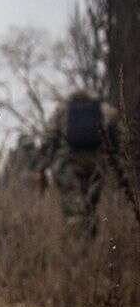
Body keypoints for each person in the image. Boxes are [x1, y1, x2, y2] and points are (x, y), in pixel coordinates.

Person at [43, 90, 120, 236]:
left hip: (69, 162)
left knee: (74, 207)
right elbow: (117, 135)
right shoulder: (104, 109)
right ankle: (91, 240)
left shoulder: (62, 109)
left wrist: (48, 163)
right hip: (96, 163)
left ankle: (78, 248)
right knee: (90, 205)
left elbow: (50, 137)